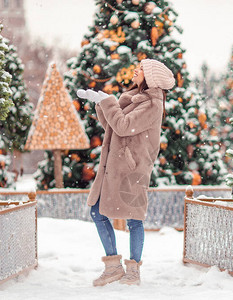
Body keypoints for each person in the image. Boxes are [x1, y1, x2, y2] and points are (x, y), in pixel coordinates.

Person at [76, 59, 175, 286]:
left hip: (133, 169)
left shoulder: (152, 104)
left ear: (150, 76)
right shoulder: (133, 98)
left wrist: (108, 101)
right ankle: (113, 267)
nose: (135, 70)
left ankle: (133, 272)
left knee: (134, 219)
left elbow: (123, 126)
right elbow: (113, 126)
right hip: (115, 166)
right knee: (97, 211)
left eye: (140, 68)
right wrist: (101, 104)